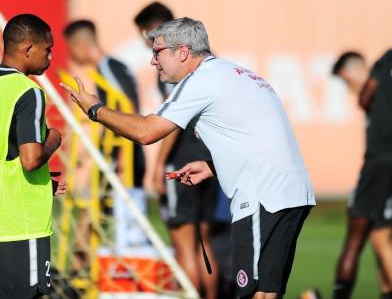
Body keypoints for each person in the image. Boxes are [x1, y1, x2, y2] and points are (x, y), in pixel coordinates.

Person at [61, 17, 316, 299]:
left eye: (157, 52)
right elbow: (258, 137)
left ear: (182, 52)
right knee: (267, 292)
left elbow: (147, 132)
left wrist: (95, 109)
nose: (152, 62)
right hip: (293, 192)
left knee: (254, 293)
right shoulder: (238, 73)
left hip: (261, 196)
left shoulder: (200, 79)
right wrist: (212, 166)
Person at [134, 2, 220, 299]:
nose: (153, 56)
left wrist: (158, 166)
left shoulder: (176, 70)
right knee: (202, 242)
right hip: (209, 159)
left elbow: (172, 124)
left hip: (182, 162)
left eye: (152, 45)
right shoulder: (205, 64)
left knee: (184, 242)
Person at [63, 20, 147, 252]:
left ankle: (80, 274)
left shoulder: (108, 67)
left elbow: (127, 105)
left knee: (99, 216)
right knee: (92, 215)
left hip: (121, 153)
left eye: (69, 47)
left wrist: (122, 155)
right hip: (117, 151)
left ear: (78, 44)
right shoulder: (113, 66)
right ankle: (81, 272)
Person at [0, 13, 66, 298]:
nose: (50, 56)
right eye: (47, 49)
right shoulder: (29, 92)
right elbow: (29, 159)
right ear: (28, 49)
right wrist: (53, 140)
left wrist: (42, 185)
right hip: (20, 228)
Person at [328, 51, 392, 299]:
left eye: (346, 80)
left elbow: (365, 99)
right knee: (381, 235)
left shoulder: (384, 61)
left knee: (355, 237)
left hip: (379, 162)